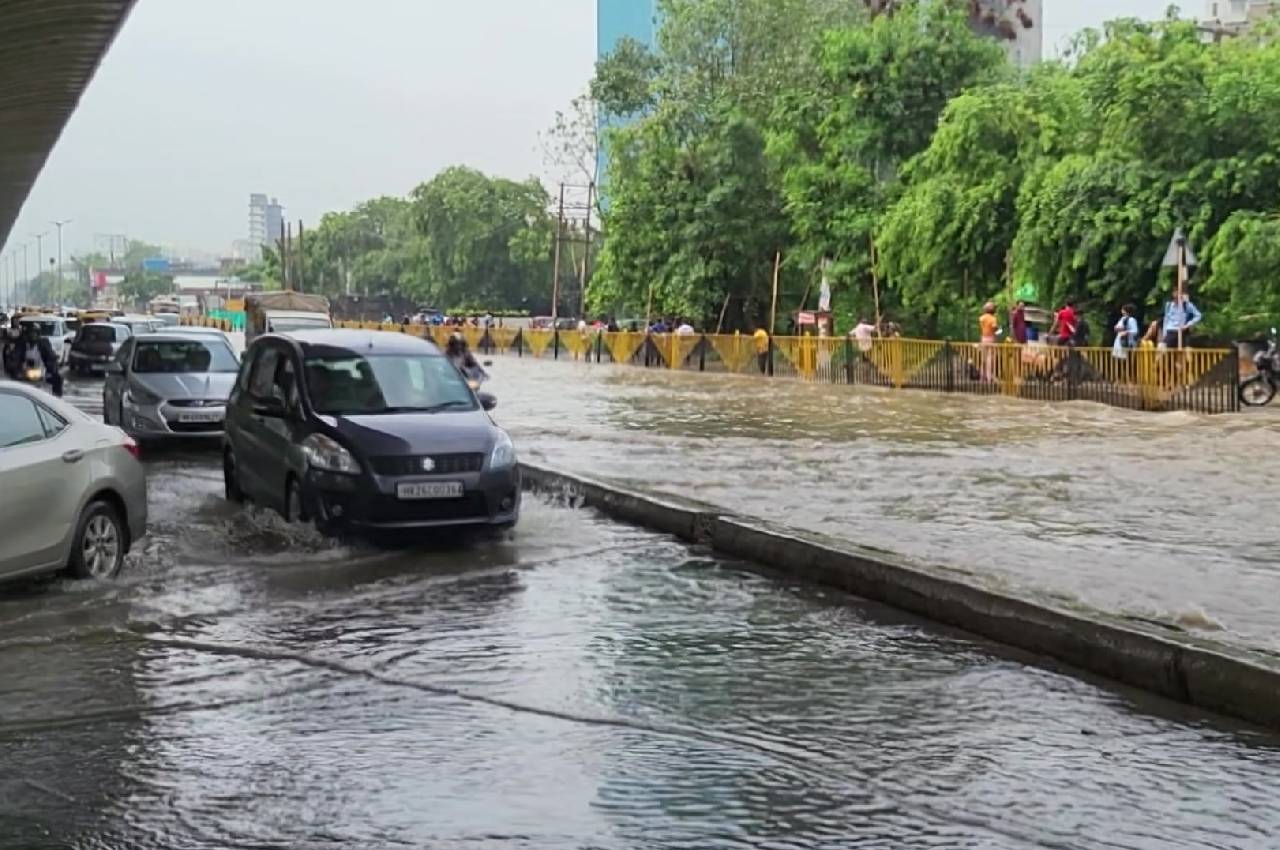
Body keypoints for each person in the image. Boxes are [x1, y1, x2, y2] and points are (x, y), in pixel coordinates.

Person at [4, 322, 62, 397]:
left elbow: (50, 354)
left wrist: (53, 364)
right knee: (12, 381)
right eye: (31, 332)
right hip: (24, 371)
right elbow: (16, 355)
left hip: (42, 370)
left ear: (38, 333)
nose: (33, 335)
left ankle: (57, 397)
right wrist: (13, 365)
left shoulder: (44, 343)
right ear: (27, 334)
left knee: (58, 378)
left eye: (35, 333)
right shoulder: (21, 344)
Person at [979, 301, 999, 381]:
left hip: (983, 338)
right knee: (990, 358)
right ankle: (989, 377)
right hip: (991, 338)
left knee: (983, 358)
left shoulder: (982, 318)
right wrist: (999, 330)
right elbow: (994, 328)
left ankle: (982, 376)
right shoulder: (993, 319)